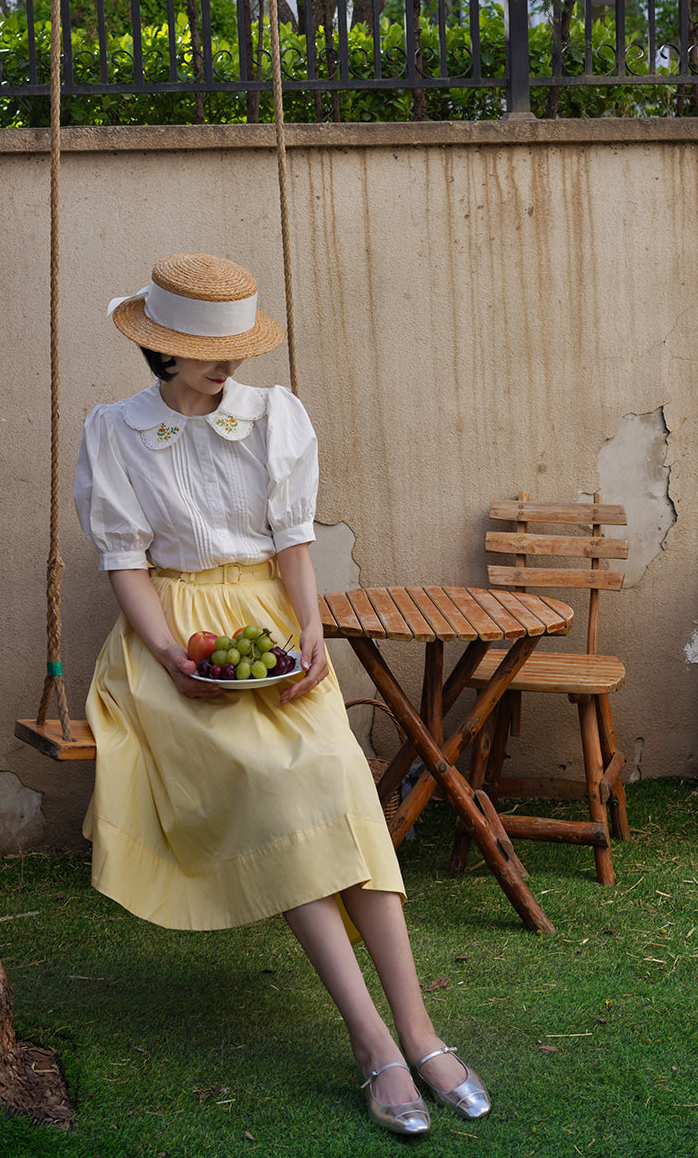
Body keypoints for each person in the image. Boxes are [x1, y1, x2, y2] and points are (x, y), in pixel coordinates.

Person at [73, 252, 490, 1136]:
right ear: (162, 351)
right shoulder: (113, 429)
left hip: (273, 622)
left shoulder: (275, 415)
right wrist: (173, 654)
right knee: (274, 787)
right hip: (176, 637)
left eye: (235, 347)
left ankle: (419, 1030)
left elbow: (293, 542)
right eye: (207, 349)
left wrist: (310, 628)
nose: (230, 365)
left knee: (336, 776)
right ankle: (373, 1040)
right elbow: (125, 562)